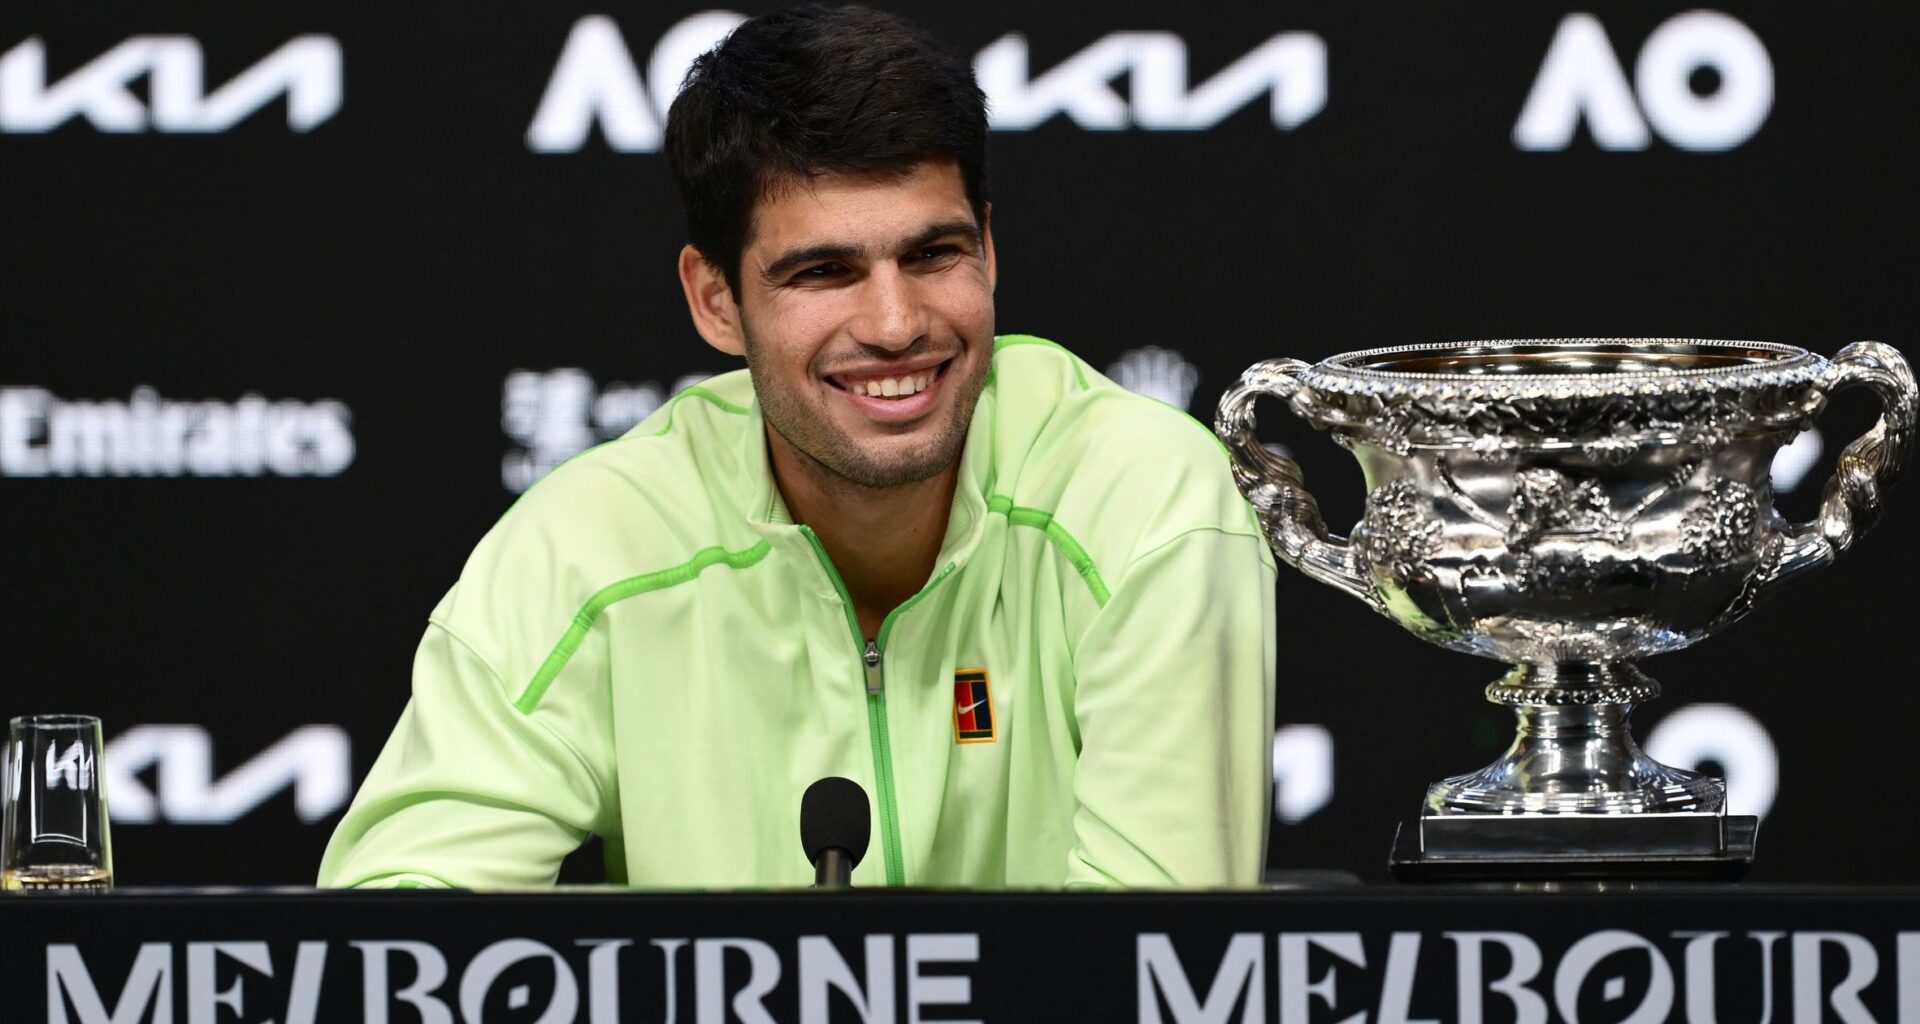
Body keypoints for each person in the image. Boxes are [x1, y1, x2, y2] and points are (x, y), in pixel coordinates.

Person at [318, 4, 1275, 890]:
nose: (897, 324)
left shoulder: (1145, 500)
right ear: (715, 300)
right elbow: (395, 944)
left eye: (933, 254)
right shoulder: (591, 547)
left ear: (989, 249)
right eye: (824, 271)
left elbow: (1160, 968)